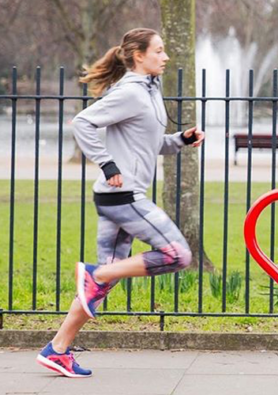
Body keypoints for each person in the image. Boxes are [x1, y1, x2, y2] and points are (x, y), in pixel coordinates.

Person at [36, 28, 204, 378]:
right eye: (158, 50)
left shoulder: (147, 91)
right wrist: (106, 162)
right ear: (139, 55)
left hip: (117, 197)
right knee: (178, 255)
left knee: (101, 284)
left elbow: (150, 144)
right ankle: (97, 273)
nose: (166, 56)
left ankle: (58, 349)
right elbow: (83, 122)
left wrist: (180, 140)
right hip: (123, 196)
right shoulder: (130, 91)